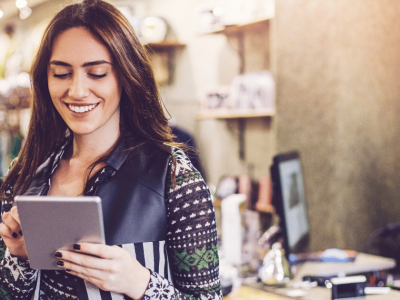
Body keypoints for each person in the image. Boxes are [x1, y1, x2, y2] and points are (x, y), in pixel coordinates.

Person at [0, 0, 221, 299]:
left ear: (126, 76)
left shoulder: (174, 178)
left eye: (97, 73)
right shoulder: (23, 176)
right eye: (62, 74)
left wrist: (140, 283)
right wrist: (21, 257)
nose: (77, 91)